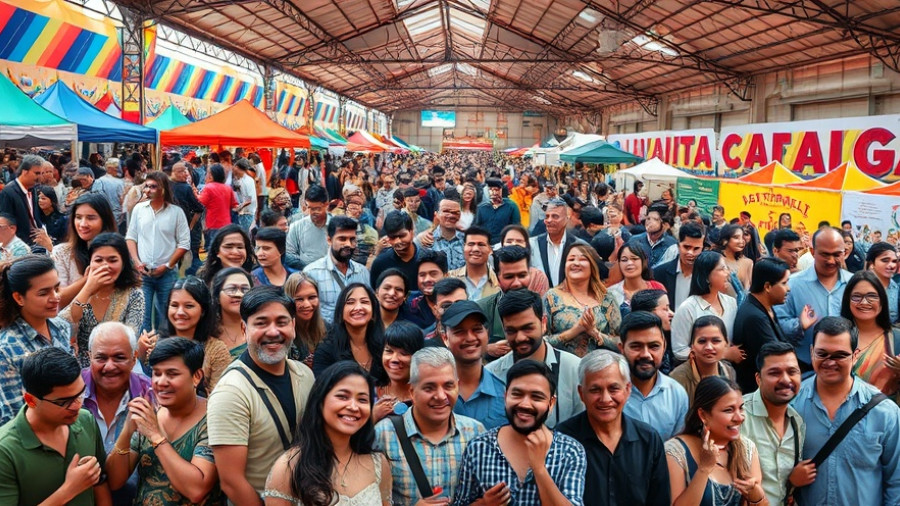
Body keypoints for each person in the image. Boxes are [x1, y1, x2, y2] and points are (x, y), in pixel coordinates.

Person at [208, 286, 315, 502]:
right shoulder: (231, 392)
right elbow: (232, 481)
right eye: (261, 323)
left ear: (293, 326)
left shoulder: (304, 374)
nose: (273, 332)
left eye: (282, 322)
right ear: (244, 329)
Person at [791, 316, 900, 505]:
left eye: (840, 355)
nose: (830, 362)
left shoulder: (885, 412)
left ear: (855, 355)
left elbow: (896, 481)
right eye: (822, 354)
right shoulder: (792, 405)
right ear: (811, 352)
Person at [106, 337, 224, 504]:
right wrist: (127, 431)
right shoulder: (150, 414)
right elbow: (114, 481)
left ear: (196, 376)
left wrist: (156, 436)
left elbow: (196, 491)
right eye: (157, 373)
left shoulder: (214, 418)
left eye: (172, 374)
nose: (161, 382)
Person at [453, 360, 587, 505]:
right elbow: (460, 502)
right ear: (505, 397)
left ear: (551, 403)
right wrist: (484, 504)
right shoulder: (479, 448)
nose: (524, 404)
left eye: (536, 397)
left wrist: (539, 469)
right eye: (517, 394)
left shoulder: (570, 451)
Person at [263, 361, 392, 506]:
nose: (353, 406)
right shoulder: (289, 468)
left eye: (362, 399)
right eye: (343, 396)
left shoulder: (378, 464)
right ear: (320, 401)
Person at [556, 349, 671, 506]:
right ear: (581, 393)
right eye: (595, 390)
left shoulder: (649, 439)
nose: (605, 399)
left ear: (628, 390)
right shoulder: (562, 440)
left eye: (613, 388)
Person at [0, 347, 112, 505]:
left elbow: (100, 481)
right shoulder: (5, 451)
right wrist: (69, 490)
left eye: (80, 394)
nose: (76, 406)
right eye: (64, 402)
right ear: (31, 400)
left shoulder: (85, 420)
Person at [374, 347, 484, 505]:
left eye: (448, 386)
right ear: (412, 391)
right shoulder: (383, 434)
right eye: (429, 388)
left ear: (457, 386)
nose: (440, 396)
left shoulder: (475, 432)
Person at [486, 289, 583, 428]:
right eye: (511, 331)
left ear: (543, 323)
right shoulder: (491, 374)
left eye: (527, 328)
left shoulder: (575, 369)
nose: (520, 337)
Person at [665, 376, 768, 506]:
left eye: (741, 408)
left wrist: (756, 494)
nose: (739, 418)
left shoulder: (747, 449)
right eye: (729, 410)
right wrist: (704, 469)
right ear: (703, 415)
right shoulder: (675, 451)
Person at [0, 255, 72, 425]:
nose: (55, 297)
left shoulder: (61, 327)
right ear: (19, 298)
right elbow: (14, 415)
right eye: (44, 293)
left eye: (56, 288)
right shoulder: (7, 348)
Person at [61, 233, 144, 367]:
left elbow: (130, 337)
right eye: (98, 260)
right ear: (90, 263)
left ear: (123, 263)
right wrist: (87, 288)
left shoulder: (133, 294)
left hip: (118, 364)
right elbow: (66, 323)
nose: (105, 266)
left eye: (112, 260)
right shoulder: (83, 292)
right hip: (82, 367)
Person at [776, 227, 852, 374]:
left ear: (845, 253)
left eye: (836, 255)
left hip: (845, 369)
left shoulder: (854, 284)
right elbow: (779, 326)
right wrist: (799, 326)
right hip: (804, 367)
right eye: (825, 254)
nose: (831, 261)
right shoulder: (792, 284)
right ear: (812, 252)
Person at [739, 342, 807, 506]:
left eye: (792, 372)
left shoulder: (797, 423)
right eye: (774, 373)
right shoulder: (738, 416)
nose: (785, 379)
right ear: (758, 379)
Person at [126, 171, 190, 332]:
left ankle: (164, 351)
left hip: (167, 273)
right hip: (144, 273)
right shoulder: (139, 209)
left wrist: (168, 265)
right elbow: (131, 237)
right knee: (143, 318)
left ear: (163, 189)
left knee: (167, 318)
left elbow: (184, 243)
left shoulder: (176, 212)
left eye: (153, 187)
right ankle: (144, 353)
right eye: (146, 186)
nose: (148, 190)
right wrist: (137, 262)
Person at [154, 276, 232, 395]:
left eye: (189, 306)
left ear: (203, 311)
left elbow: (220, 398)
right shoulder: (154, 344)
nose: (180, 312)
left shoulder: (216, 350)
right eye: (174, 305)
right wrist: (143, 355)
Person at [619, 311, 689, 440]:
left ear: (664, 347)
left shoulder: (676, 394)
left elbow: (677, 448)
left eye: (654, 346)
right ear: (621, 348)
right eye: (636, 346)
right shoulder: (609, 395)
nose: (645, 354)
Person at [544, 243, 621, 356]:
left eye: (582, 259)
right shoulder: (552, 297)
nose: (576, 263)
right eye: (571, 259)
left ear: (592, 265)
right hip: (562, 368)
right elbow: (541, 342)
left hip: (600, 367)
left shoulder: (607, 298)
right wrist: (575, 331)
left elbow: (621, 343)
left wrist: (595, 333)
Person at [730, 257, 792, 393]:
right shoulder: (754, 317)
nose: (788, 289)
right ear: (768, 287)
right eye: (784, 283)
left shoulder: (764, 307)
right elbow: (776, 357)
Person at [671, 251, 741, 364]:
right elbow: (680, 350)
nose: (727, 273)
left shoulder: (731, 302)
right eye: (722, 269)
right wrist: (723, 354)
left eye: (727, 268)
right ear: (707, 276)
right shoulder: (688, 308)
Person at [840, 270, 900, 400]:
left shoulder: (896, 339)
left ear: (882, 301)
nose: (864, 302)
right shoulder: (836, 338)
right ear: (847, 300)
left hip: (886, 416)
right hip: (842, 414)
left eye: (872, 296)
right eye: (856, 296)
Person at [52, 193, 118, 308]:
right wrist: (88, 279)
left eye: (91, 218)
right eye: (78, 217)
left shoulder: (118, 253)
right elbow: (58, 300)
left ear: (104, 220)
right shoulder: (61, 253)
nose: (83, 224)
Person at [302, 216, 370, 321]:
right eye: (342, 239)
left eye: (352, 239)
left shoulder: (362, 272)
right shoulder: (312, 273)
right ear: (329, 240)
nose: (348, 244)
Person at [313, 283, 386, 378]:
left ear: (373, 311)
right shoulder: (326, 349)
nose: (358, 308)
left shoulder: (385, 346)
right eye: (350, 302)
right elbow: (322, 387)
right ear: (341, 312)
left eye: (364, 302)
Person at [669, 316, 738, 401]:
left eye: (716, 341)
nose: (709, 347)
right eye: (702, 341)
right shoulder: (678, 379)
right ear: (692, 346)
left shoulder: (729, 372)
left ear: (726, 343)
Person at [373, 321, 424, 422]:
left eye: (404, 353)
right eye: (389, 351)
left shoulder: (427, 395)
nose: (394, 359)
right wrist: (373, 417)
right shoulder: (368, 392)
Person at [529, 197, 585, 286]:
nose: (549, 220)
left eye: (555, 216)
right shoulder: (532, 245)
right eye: (547, 216)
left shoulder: (579, 246)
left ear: (566, 219)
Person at [653, 222, 705, 311]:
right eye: (686, 247)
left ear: (702, 248)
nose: (690, 253)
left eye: (696, 249)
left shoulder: (706, 276)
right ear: (678, 246)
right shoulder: (659, 273)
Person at [283, 272, 329, 367]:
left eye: (312, 297)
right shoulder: (283, 334)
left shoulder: (328, 329)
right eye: (299, 299)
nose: (307, 305)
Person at [607, 241, 666, 313]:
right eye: (624, 260)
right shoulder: (611, 293)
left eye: (634, 259)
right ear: (619, 263)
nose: (629, 263)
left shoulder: (657, 287)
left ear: (643, 262)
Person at [370, 211, 422, 291]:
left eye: (402, 236)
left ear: (412, 233)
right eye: (392, 237)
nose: (397, 241)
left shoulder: (426, 259)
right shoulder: (381, 263)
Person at [211, 268, 254, 359]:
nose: (239, 294)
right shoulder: (207, 332)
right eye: (231, 289)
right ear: (217, 297)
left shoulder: (259, 329)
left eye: (245, 289)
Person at [0, 153, 43, 246]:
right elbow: (5, 224)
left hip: (35, 243)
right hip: (20, 246)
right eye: (37, 173)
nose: (40, 177)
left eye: (41, 173)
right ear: (25, 172)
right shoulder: (8, 192)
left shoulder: (33, 190)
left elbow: (35, 217)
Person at [399, 249, 447, 331]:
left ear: (446, 276)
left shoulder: (458, 303)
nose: (427, 279)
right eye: (422, 275)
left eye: (433, 274)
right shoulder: (411, 308)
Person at [171, 162, 205, 276]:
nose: (186, 174)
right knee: (190, 257)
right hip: (184, 229)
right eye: (183, 171)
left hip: (177, 229)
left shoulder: (175, 186)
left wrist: (190, 226)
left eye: (186, 171)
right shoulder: (184, 187)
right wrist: (190, 227)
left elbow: (199, 209)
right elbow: (199, 208)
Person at [448, 226, 499, 301]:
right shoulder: (450, 278)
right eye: (471, 244)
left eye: (481, 244)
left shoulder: (500, 282)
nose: (475, 249)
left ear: (490, 249)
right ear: (464, 247)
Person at [286, 184, 331, 266]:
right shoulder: (297, 227)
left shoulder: (337, 226)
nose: (313, 213)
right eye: (309, 207)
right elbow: (289, 255)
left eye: (317, 209)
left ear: (326, 205)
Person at [498, 224, 550, 295]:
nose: (514, 244)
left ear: (527, 245)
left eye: (519, 241)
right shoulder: (493, 275)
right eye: (509, 241)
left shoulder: (538, 277)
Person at [418, 196, 465, 270]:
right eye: (446, 211)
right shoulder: (426, 240)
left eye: (455, 213)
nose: (450, 215)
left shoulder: (468, 240)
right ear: (436, 214)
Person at [198, 164, 238, 248]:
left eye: (208, 173)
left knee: (214, 247)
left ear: (211, 175)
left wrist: (194, 193)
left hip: (213, 223)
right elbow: (234, 205)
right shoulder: (228, 188)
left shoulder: (208, 188)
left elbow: (200, 202)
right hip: (226, 223)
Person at [474, 177, 520, 244]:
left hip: (503, 244)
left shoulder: (512, 206)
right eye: (491, 190)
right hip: (485, 244)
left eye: (497, 189)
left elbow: (516, 228)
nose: (494, 192)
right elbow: (477, 227)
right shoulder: (481, 208)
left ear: (501, 190)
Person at [630, 204, 677, 269]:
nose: (649, 222)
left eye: (655, 219)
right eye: (648, 218)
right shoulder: (634, 241)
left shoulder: (672, 245)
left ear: (665, 225)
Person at [715, 223, 753, 303]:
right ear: (725, 240)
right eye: (736, 237)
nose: (741, 241)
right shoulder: (716, 260)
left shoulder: (747, 263)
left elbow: (747, 289)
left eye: (743, 238)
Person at [866, 242, 899, 323]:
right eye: (885, 260)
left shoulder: (897, 289)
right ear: (872, 263)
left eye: (894, 261)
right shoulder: (858, 286)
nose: (891, 265)